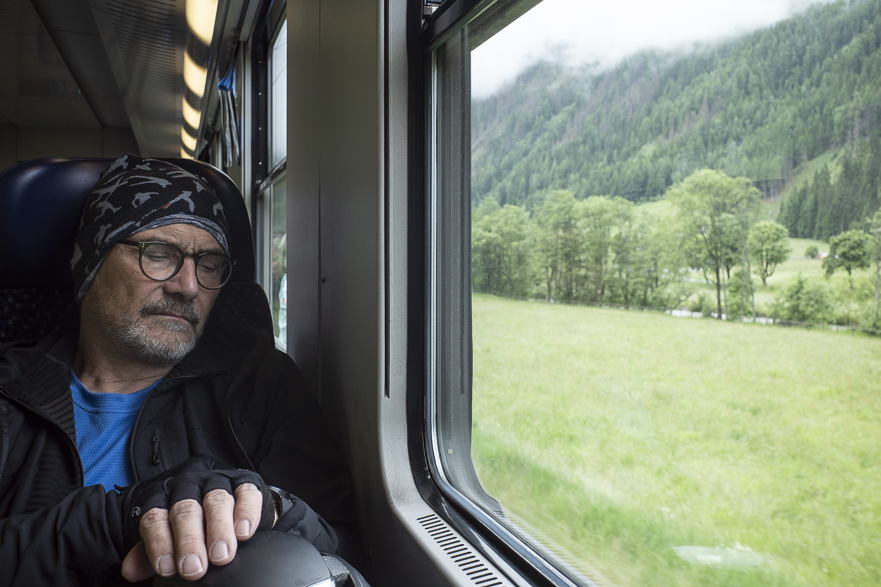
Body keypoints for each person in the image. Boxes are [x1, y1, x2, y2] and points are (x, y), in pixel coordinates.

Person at [0, 155, 357, 586]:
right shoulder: (9, 393)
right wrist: (118, 520)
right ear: (91, 263)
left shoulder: (259, 383)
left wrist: (274, 507)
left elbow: (342, 551)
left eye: (207, 264)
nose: (188, 286)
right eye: (158, 254)